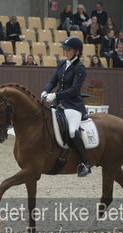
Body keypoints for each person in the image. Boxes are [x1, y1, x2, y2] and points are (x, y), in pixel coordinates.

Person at [41, 37, 90, 177]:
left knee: (73, 131)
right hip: (58, 105)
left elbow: (75, 90)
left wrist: (55, 96)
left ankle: (85, 164)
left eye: (68, 49)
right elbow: (53, 81)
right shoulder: (62, 63)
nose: (65, 51)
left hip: (72, 105)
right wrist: (46, 90)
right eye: (65, 49)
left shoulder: (79, 67)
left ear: (77, 51)